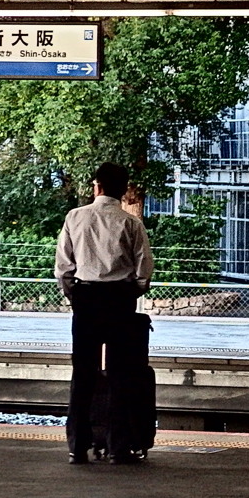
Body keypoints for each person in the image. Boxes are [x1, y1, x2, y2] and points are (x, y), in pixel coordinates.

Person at [55, 162, 154, 464]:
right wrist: (130, 291)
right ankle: (118, 447)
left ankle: (77, 446)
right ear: (124, 190)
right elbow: (143, 270)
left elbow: (63, 267)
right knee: (121, 375)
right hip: (120, 300)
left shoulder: (75, 217)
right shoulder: (131, 223)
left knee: (82, 373)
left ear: (96, 186)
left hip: (86, 298)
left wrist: (74, 293)